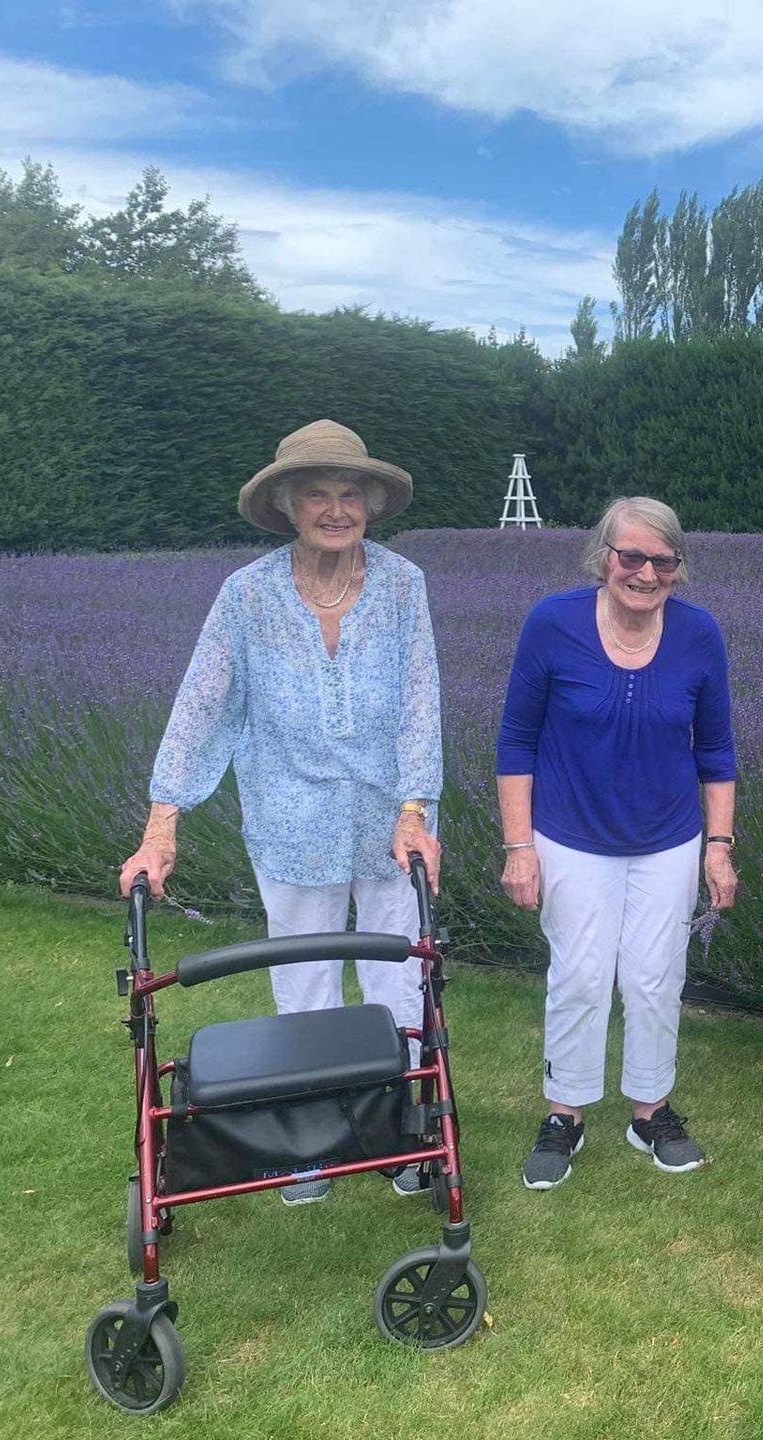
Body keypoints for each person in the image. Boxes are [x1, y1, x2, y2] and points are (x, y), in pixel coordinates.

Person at [117, 418, 444, 1206]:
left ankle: (401, 1132)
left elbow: (419, 704)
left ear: (369, 503)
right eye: (318, 496)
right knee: (302, 981)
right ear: (290, 507)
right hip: (291, 820)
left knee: (398, 978)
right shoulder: (248, 596)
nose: (337, 509)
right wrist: (161, 828)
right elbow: (202, 707)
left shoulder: (404, 585)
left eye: (350, 494)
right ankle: (310, 1140)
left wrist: (415, 809)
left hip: (390, 820)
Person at [500, 497, 738, 1189]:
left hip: (666, 839)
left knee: (654, 977)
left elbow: (717, 750)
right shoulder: (553, 623)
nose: (644, 572)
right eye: (630, 556)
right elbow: (516, 741)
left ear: (677, 568)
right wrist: (520, 847)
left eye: (661, 561)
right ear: (604, 556)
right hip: (569, 836)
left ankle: (651, 1111)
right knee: (578, 976)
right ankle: (564, 1115)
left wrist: (717, 844)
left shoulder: (700, 635)